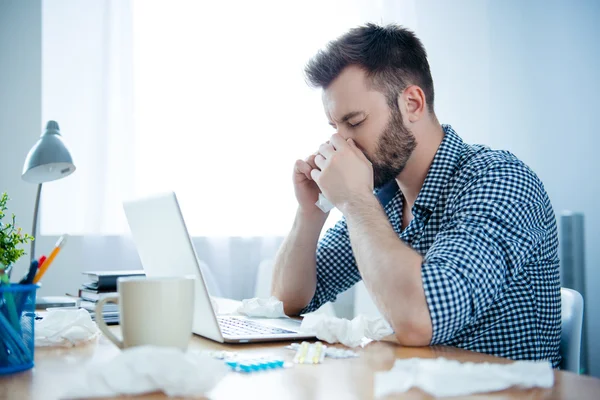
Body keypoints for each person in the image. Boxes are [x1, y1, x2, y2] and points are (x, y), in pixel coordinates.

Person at [271, 23, 561, 366]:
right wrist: (311, 212)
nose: (342, 144)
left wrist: (355, 202)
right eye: (336, 128)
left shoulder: (500, 180)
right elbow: (288, 301)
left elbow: (419, 320)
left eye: (356, 121)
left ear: (412, 103)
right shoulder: (386, 198)